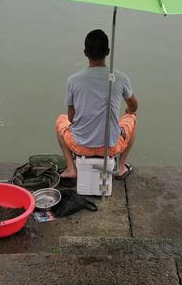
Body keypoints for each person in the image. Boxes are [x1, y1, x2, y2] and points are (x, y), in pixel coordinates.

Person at [55, 29, 138, 181]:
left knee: (61, 120)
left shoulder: (73, 80)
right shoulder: (119, 77)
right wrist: (129, 110)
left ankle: (71, 168)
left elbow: (71, 118)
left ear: (85, 52)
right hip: (111, 148)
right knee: (131, 118)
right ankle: (120, 167)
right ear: (107, 51)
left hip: (80, 146)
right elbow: (134, 107)